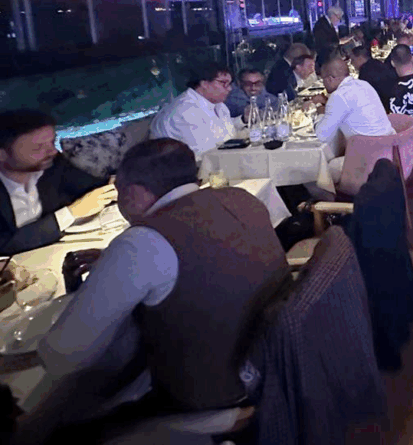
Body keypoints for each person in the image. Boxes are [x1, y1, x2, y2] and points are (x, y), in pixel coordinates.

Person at [22, 139, 289, 444]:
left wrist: (122, 260)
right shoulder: (242, 199)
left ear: (134, 193)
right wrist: (116, 263)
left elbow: (62, 356)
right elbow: (212, 255)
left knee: (55, 427)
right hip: (271, 368)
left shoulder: (141, 244)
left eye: (119, 193)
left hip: (210, 396)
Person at [0, 110, 113, 256]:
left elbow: (89, 187)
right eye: (37, 148)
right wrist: (71, 213)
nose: (53, 151)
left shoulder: (52, 165)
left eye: (52, 142)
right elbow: (5, 244)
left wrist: (117, 184)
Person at [150, 63, 237, 156]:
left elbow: (226, 133)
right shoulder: (185, 110)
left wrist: (243, 120)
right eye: (223, 83)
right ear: (204, 83)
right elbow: (204, 154)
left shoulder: (218, 105)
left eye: (229, 84)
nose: (229, 88)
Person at [315, 57, 396, 149]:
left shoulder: (339, 95)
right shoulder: (364, 84)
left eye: (323, 80)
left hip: (369, 151)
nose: (324, 84)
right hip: (389, 145)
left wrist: (320, 112)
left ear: (330, 79)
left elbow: (322, 136)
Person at [351, 45, 399, 109]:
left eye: (353, 60)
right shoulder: (378, 63)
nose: (352, 63)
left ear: (360, 58)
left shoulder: (365, 72)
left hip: (383, 105)